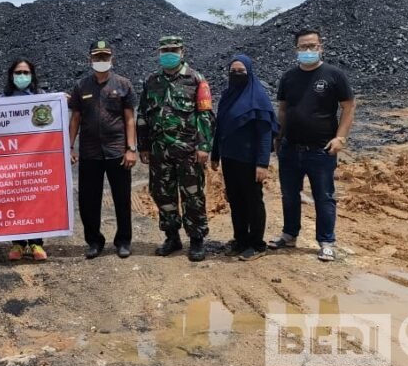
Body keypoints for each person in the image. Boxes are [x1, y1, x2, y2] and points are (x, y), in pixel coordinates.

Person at [269, 29, 355, 262]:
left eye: (312, 46)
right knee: (289, 195)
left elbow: (348, 106)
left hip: (321, 150)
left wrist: (341, 138)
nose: (308, 50)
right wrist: (277, 138)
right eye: (303, 47)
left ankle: (326, 241)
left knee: (324, 196)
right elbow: (283, 110)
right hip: (290, 148)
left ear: (321, 47)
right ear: (296, 50)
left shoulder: (333, 75)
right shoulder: (288, 77)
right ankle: (289, 234)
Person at [137, 35, 215, 262]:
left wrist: (204, 145)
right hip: (159, 152)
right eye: (164, 50)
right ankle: (172, 237)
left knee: (193, 196)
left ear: (182, 52)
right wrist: (143, 146)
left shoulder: (196, 79)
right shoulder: (151, 81)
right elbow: (143, 116)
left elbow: (205, 115)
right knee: (163, 195)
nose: (168, 53)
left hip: (188, 151)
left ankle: (197, 239)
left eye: (173, 49)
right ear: (159, 53)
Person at [69, 40, 138, 259]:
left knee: (122, 198)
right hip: (90, 152)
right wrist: (69, 146)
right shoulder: (81, 86)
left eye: (105, 57)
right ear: (90, 59)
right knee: (88, 199)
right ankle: (94, 241)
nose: (101, 61)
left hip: (117, 151)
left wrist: (131, 148)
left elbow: (129, 119)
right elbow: (75, 119)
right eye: (97, 57)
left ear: (112, 59)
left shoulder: (124, 84)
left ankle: (123, 240)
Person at [210, 55, 279, 261]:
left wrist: (262, 163)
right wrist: (215, 155)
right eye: (233, 71)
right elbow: (220, 128)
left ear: (249, 73)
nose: (237, 74)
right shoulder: (227, 96)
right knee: (235, 200)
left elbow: (265, 134)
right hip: (230, 159)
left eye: (241, 71)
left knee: (253, 202)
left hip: (250, 161)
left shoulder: (258, 97)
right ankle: (240, 240)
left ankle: (257, 244)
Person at [3, 57, 50, 262]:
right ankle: (18, 243)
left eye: (26, 72)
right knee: (14, 200)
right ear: (11, 75)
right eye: (18, 73)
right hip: (11, 161)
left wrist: (61, 100)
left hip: (34, 159)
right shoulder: (2, 99)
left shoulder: (42, 98)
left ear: (32, 75)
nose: (22, 76)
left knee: (34, 199)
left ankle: (36, 243)